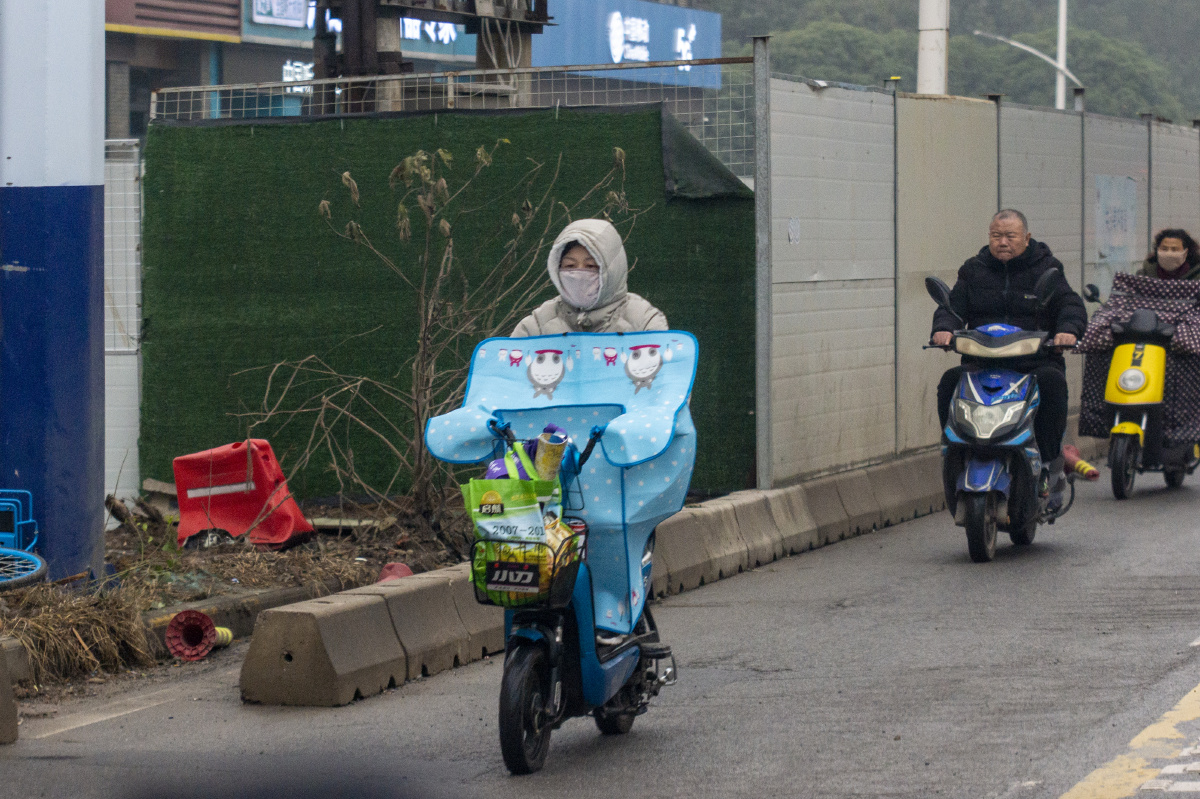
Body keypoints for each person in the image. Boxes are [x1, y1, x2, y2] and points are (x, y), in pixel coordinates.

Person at [931, 209, 1088, 481]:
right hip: (980, 363)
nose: (1002, 242)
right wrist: (943, 328)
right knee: (949, 382)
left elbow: (1069, 304)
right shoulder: (973, 270)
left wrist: (1067, 330)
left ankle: (1050, 465)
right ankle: (954, 452)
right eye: (996, 235)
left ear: (1026, 238)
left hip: (1034, 363)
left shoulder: (1047, 268)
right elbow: (953, 308)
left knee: (1052, 383)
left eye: (1010, 236)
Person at [511, 218, 667, 336]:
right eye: (570, 266)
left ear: (611, 269)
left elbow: (660, 373)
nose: (579, 274)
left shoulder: (644, 321)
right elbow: (512, 374)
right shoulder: (536, 326)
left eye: (591, 266)